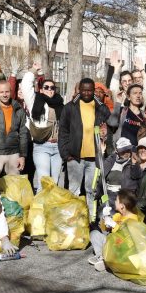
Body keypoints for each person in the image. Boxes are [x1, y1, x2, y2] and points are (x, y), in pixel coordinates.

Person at [59, 78, 111, 213]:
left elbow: (109, 125)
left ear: (93, 91)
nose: (87, 93)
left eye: (89, 90)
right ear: (79, 90)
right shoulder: (70, 107)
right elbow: (63, 132)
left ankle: (90, 219)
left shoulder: (101, 108)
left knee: (92, 190)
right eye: (84, 90)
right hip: (75, 157)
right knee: (74, 190)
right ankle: (74, 219)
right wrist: (66, 154)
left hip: (94, 158)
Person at [21, 64, 64, 191]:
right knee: (43, 180)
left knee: (55, 182)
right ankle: (39, 210)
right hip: (42, 146)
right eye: (46, 87)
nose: (50, 90)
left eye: (52, 88)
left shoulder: (60, 103)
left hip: (57, 147)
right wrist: (33, 71)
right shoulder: (35, 101)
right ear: (41, 89)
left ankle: (50, 209)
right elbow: (25, 86)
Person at [89, 189, 139, 272]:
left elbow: (127, 236)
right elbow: (104, 229)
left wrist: (115, 225)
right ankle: (100, 256)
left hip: (122, 247)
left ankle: (108, 261)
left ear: (122, 206)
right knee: (94, 234)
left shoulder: (133, 219)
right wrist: (105, 218)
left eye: (116, 200)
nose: (115, 201)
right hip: (112, 243)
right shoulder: (117, 215)